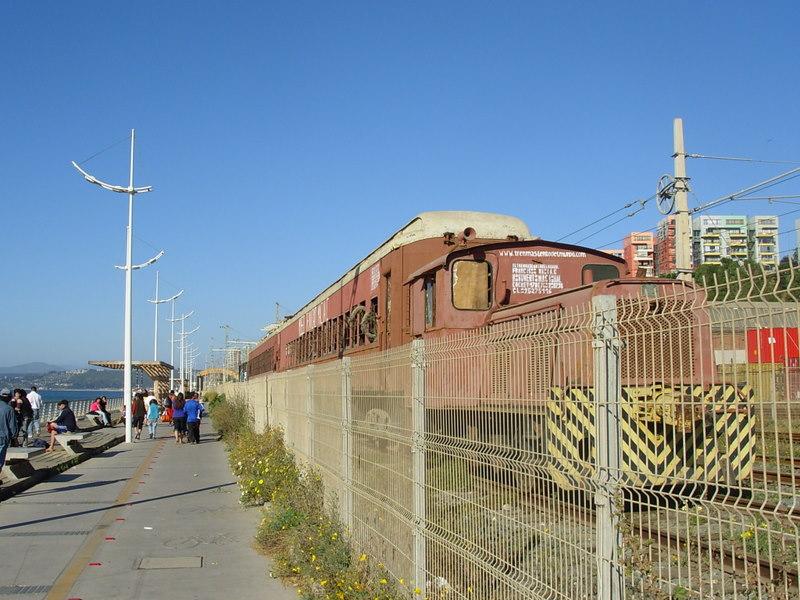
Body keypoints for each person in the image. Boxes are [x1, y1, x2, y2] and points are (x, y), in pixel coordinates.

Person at [0, 389, 20, 484]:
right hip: (3, 437)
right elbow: (13, 426)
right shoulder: (9, 409)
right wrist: (14, 437)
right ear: (9, 398)